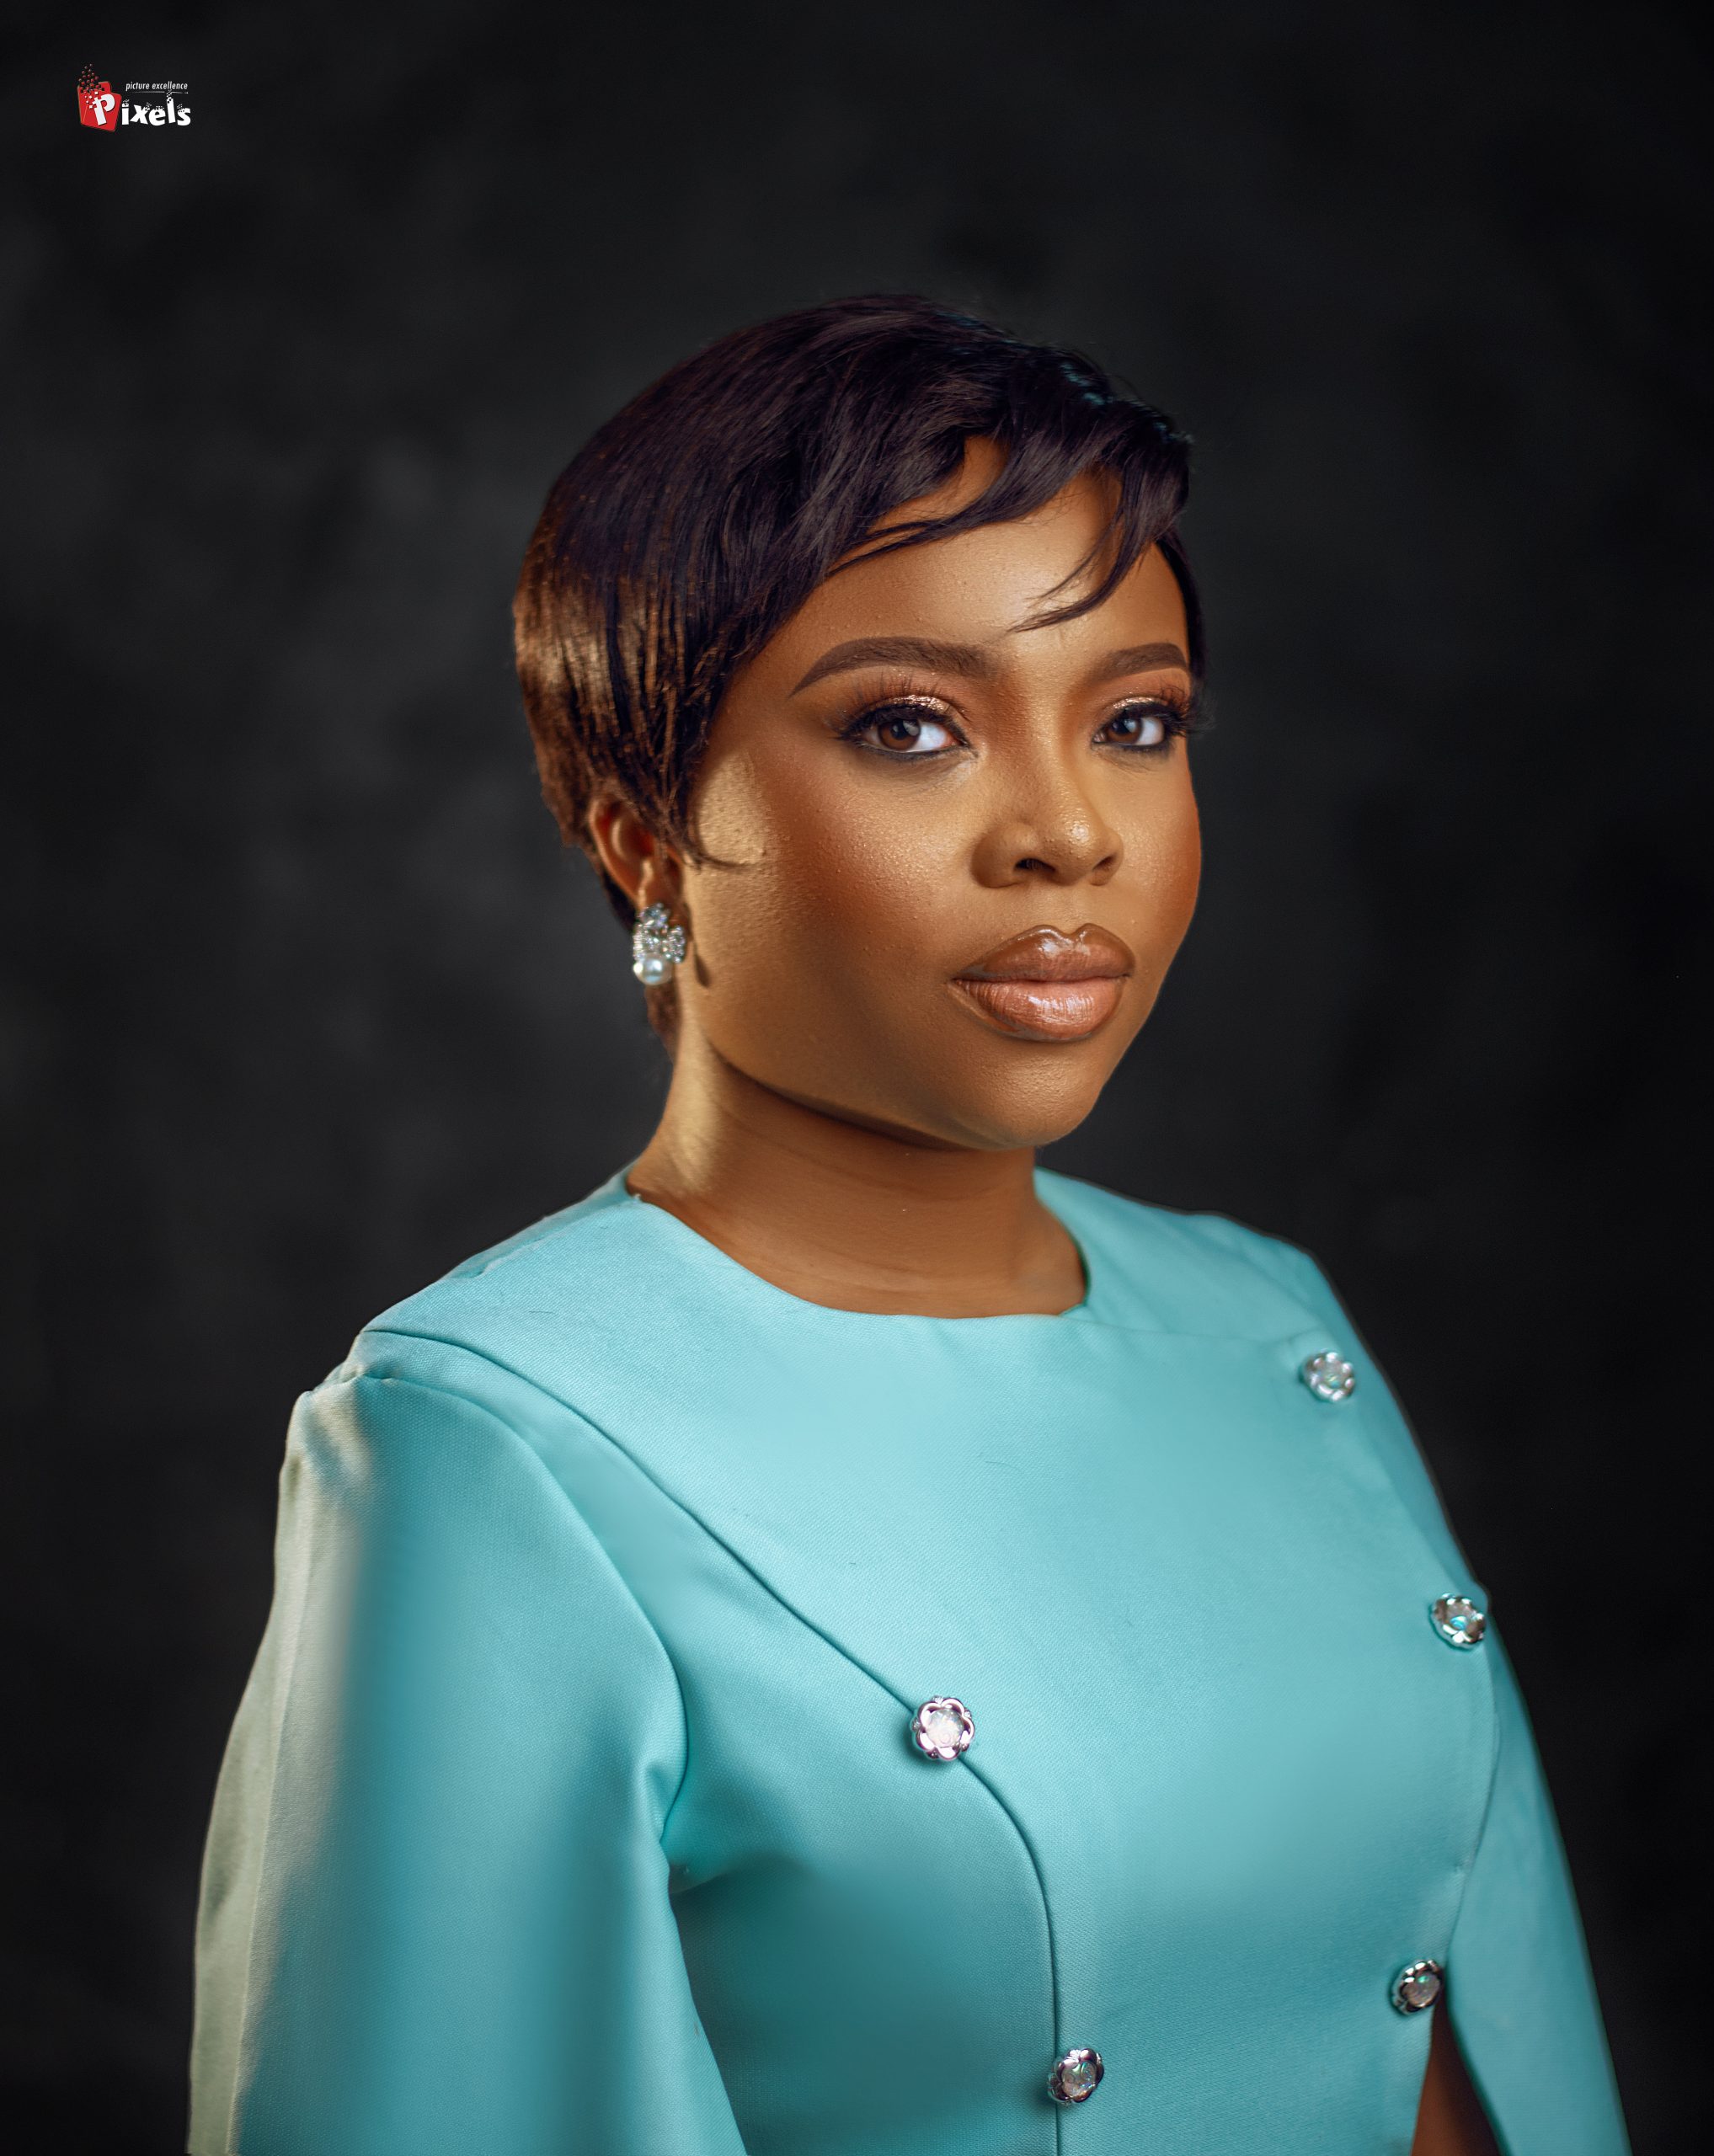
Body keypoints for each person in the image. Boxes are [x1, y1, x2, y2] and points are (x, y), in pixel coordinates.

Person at [187, 296, 1630, 2156]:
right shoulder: (488, 1442)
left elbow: (1447, 2035)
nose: (1064, 832)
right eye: (911, 724)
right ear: (644, 827)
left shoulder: (1273, 1326)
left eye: (1133, 719)